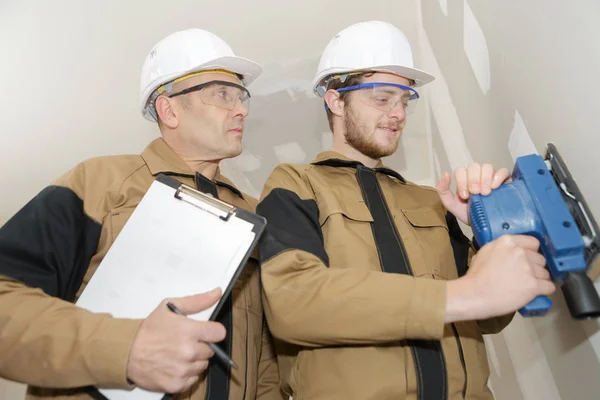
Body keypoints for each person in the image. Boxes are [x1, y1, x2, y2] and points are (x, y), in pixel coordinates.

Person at [255, 21, 555, 400]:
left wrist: (488, 227)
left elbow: (489, 314)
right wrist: (464, 295)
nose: (397, 114)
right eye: (382, 99)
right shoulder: (295, 184)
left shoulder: (428, 199)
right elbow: (293, 302)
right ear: (335, 100)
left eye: (405, 100)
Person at [0, 28, 285, 400]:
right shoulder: (100, 184)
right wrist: (125, 349)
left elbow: (263, 357)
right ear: (169, 109)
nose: (242, 108)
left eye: (241, 95)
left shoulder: (254, 214)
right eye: (222, 93)